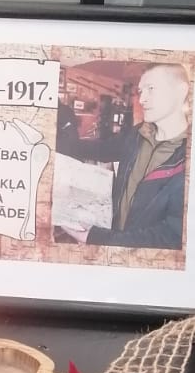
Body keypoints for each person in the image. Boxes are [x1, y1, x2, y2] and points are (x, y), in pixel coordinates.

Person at [59, 63, 190, 249]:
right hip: (114, 238)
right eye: (140, 91)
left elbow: (172, 236)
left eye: (151, 89)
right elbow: (102, 150)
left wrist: (97, 237)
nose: (142, 99)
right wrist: (54, 143)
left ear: (181, 91)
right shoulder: (137, 133)